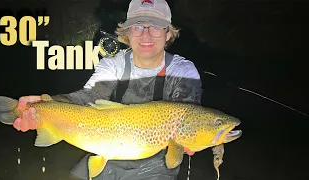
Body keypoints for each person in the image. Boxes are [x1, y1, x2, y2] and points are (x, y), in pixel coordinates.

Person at [14, 0, 203, 179]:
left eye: (155, 26)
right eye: (137, 27)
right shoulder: (113, 64)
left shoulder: (183, 71)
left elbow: (187, 115)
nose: (146, 35)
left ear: (168, 33)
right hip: (106, 152)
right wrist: (47, 105)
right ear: (127, 33)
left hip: (157, 166)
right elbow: (88, 97)